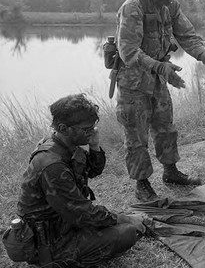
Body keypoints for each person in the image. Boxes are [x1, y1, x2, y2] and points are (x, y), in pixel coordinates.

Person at [115, 0, 205, 201]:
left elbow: (187, 34)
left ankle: (170, 172)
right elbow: (128, 51)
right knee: (136, 135)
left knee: (165, 127)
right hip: (133, 82)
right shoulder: (133, 7)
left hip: (158, 80)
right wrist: (160, 67)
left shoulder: (171, 7)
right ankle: (142, 183)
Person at [4, 94, 145, 267]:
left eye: (93, 127)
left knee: (118, 222)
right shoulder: (52, 165)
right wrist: (125, 219)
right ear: (64, 128)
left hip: (65, 225)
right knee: (128, 232)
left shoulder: (65, 146)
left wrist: (94, 145)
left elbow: (93, 170)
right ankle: (60, 262)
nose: (92, 132)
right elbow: (82, 214)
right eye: (86, 129)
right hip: (51, 244)